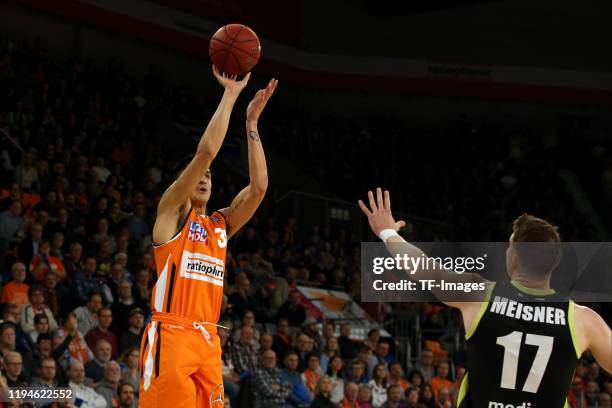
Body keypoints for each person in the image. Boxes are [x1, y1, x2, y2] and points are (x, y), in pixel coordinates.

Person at [359, 188, 612, 408]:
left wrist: (388, 233)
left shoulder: (479, 294)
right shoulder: (582, 320)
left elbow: (423, 268)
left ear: (513, 257)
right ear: (554, 264)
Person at [139, 67, 277, 408]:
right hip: (171, 335)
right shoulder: (172, 213)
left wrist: (252, 126)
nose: (205, 178)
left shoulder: (220, 225)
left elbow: (259, 189)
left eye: (210, 176)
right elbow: (206, 154)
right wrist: (230, 95)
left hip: (208, 339)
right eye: (200, 175)